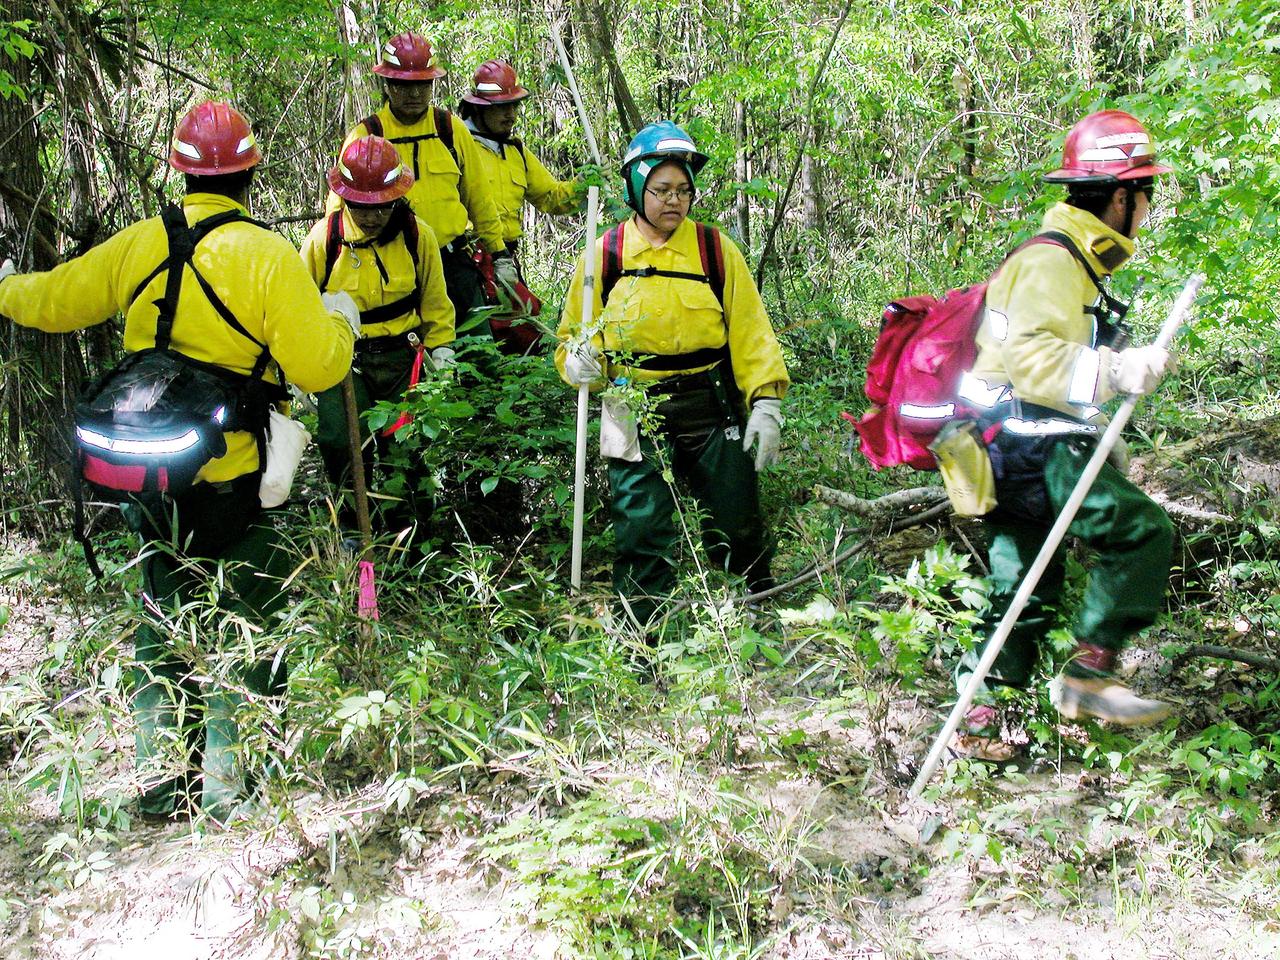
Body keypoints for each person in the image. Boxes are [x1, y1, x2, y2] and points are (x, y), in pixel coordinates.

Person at [0, 101, 357, 821]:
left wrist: (5, 284)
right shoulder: (267, 256)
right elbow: (319, 369)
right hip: (236, 479)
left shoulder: (140, 243)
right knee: (246, 625)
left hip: (151, 476)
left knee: (164, 627)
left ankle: (164, 782)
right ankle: (235, 792)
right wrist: (343, 322)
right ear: (251, 174)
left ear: (180, 172)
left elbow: (54, 300)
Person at [953, 109, 1177, 754]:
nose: (1149, 206)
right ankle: (1089, 675)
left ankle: (980, 720)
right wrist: (1119, 369)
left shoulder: (1073, 259)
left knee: (1022, 587)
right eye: (1146, 192)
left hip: (1008, 443)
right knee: (1140, 530)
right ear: (1120, 196)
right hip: (1028, 442)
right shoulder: (1055, 262)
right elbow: (1035, 363)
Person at [556, 120, 789, 630]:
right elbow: (573, 335)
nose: (673, 201)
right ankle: (642, 636)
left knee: (736, 517)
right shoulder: (606, 254)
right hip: (630, 402)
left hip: (709, 397)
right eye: (661, 190)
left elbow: (750, 329)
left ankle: (754, 616)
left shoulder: (713, 249)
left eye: (683, 190)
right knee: (641, 526)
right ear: (637, 189)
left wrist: (766, 401)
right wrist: (579, 364)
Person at [302, 134, 455, 532]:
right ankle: (354, 527)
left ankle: (412, 532)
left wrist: (443, 352)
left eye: (381, 207)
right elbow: (300, 307)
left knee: (406, 444)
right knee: (339, 441)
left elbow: (436, 302)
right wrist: (299, 367)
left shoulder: (418, 236)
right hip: (344, 361)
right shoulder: (325, 239)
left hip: (402, 357)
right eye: (361, 206)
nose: (371, 216)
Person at [327, 31, 510, 338]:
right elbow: (339, 213)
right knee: (415, 367)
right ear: (387, 85)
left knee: (480, 355)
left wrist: (499, 254)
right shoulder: (365, 137)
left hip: (453, 262)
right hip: (395, 268)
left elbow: (479, 197)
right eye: (403, 85)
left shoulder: (449, 129)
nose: (413, 94)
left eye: (422, 85)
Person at [458, 58, 593, 350]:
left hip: (508, 260)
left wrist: (585, 182)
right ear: (480, 108)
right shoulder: (456, 145)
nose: (511, 115)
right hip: (467, 262)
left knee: (520, 340)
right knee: (476, 345)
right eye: (502, 108)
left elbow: (552, 197)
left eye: (514, 106)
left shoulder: (516, 151)